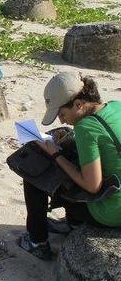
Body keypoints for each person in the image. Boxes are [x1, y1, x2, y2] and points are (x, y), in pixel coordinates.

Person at [18, 71, 121, 260]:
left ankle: (37, 242)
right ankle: (73, 223)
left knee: (34, 170)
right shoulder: (116, 106)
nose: (61, 120)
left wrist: (55, 154)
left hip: (112, 213)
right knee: (70, 154)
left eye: (62, 113)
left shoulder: (86, 128)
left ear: (79, 104)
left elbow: (93, 185)